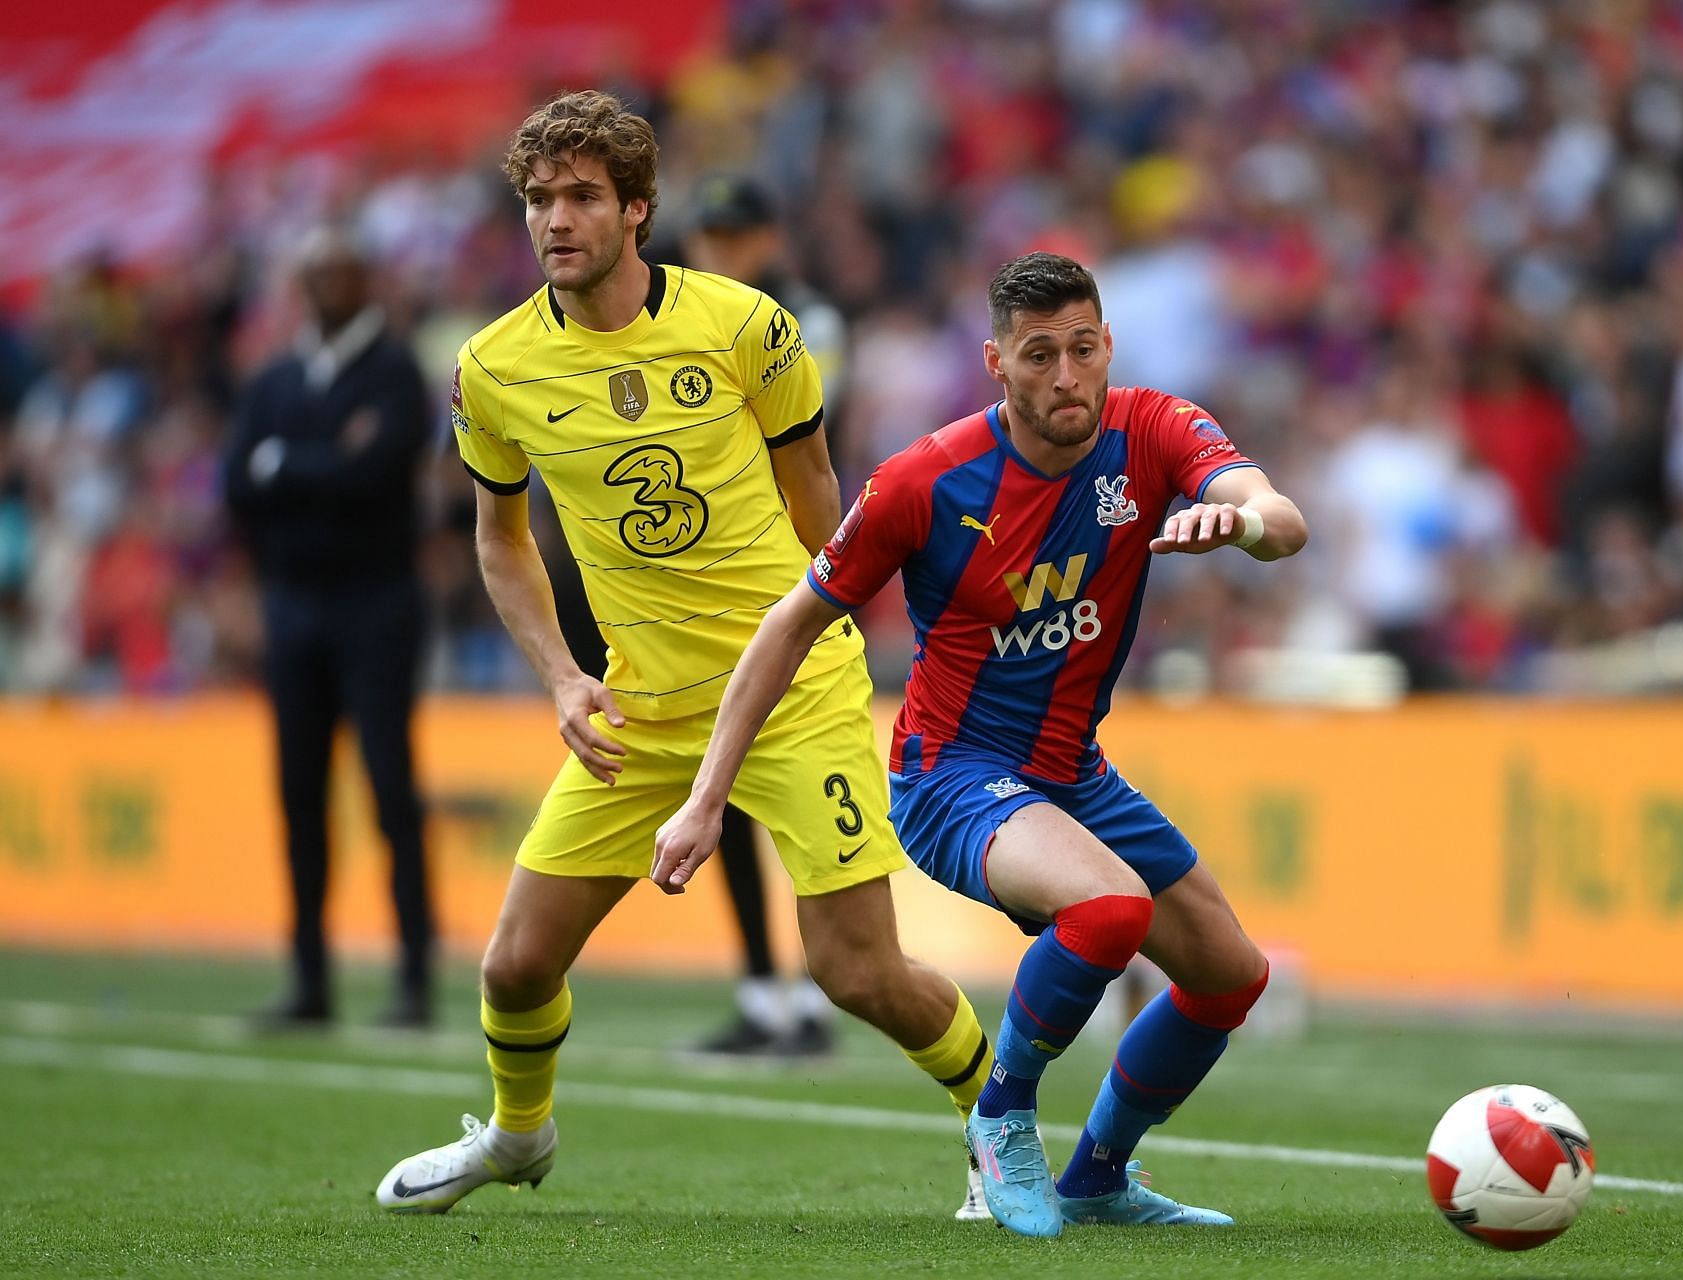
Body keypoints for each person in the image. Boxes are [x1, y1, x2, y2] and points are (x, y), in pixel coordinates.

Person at [373, 90, 993, 1217]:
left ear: (637, 209)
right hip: (641, 708)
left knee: (853, 971)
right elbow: (500, 541)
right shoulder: (493, 369)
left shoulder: (747, 326)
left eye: (581, 196)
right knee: (513, 966)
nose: (555, 219)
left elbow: (821, 499)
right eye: (538, 199)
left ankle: (997, 1125)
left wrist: (841, 633)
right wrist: (563, 675)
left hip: (794, 691)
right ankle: (519, 1136)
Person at [655, 251, 1309, 1237]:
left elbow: (1284, 518)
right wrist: (708, 796)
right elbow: (787, 624)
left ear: (1107, 349)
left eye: (1082, 350)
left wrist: (1243, 524)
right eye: (1040, 355)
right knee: (1109, 907)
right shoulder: (924, 481)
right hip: (950, 776)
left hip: (1073, 773)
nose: (1066, 376)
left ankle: (1098, 1175)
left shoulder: (1154, 427)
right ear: (996, 364)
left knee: (1230, 974)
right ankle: (1000, 1115)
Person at [223, 226, 435, 1030]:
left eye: (341, 272)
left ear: (364, 280)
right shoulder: (276, 378)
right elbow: (238, 484)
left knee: (390, 791)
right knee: (299, 794)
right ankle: (309, 979)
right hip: (294, 604)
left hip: (375, 602)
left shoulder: (392, 372)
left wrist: (288, 465)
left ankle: (413, 978)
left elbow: (372, 474)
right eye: (316, 273)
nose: (328, 286)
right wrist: (319, 465)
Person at [681, 172, 850, 1058]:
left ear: (766, 238)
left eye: (731, 236)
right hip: (717, 579)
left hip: (796, 566)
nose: (716, 252)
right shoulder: (695, 323)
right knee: (727, 786)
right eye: (708, 237)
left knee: (793, 786)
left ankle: (814, 998)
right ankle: (760, 991)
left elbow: (798, 433)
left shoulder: (803, 321)